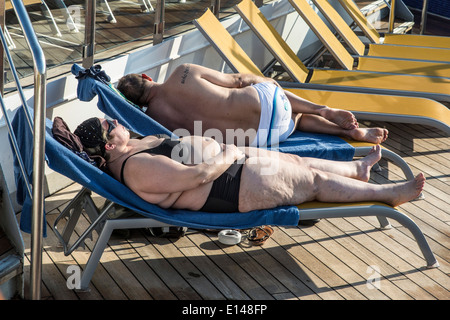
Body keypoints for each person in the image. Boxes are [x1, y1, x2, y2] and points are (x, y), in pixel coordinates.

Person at [74, 117, 424, 213]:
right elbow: (197, 175)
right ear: (109, 145)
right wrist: (226, 154)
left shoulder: (129, 144)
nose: (113, 120)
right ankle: (387, 193)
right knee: (312, 180)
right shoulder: (136, 169)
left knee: (295, 159)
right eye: (108, 124)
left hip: (234, 167)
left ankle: (358, 171)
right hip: (230, 185)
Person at [117, 64, 388, 147]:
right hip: (270, 102)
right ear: (147, 78)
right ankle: (322, 109)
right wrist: (265, 81)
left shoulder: (153, 121)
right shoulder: (182, 72)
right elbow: (236, 80)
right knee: (271, 94)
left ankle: (344, 132)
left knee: (294, 120)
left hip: (263, 137)